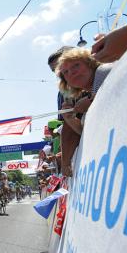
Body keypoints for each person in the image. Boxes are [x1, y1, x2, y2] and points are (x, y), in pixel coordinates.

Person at [56, 48, 113, 176]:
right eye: (66, 72)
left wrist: (92, 100)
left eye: (76, 65)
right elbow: (88, 134)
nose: (72, 72)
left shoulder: (102, 72)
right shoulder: (88, 94)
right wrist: (70, 119)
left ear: (90, 63)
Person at [48, 46, 74, 121]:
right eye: (54, 70)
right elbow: (63, 121)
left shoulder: (99, 74)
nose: (58, 72)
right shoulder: (63, 91)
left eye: (59, 66)